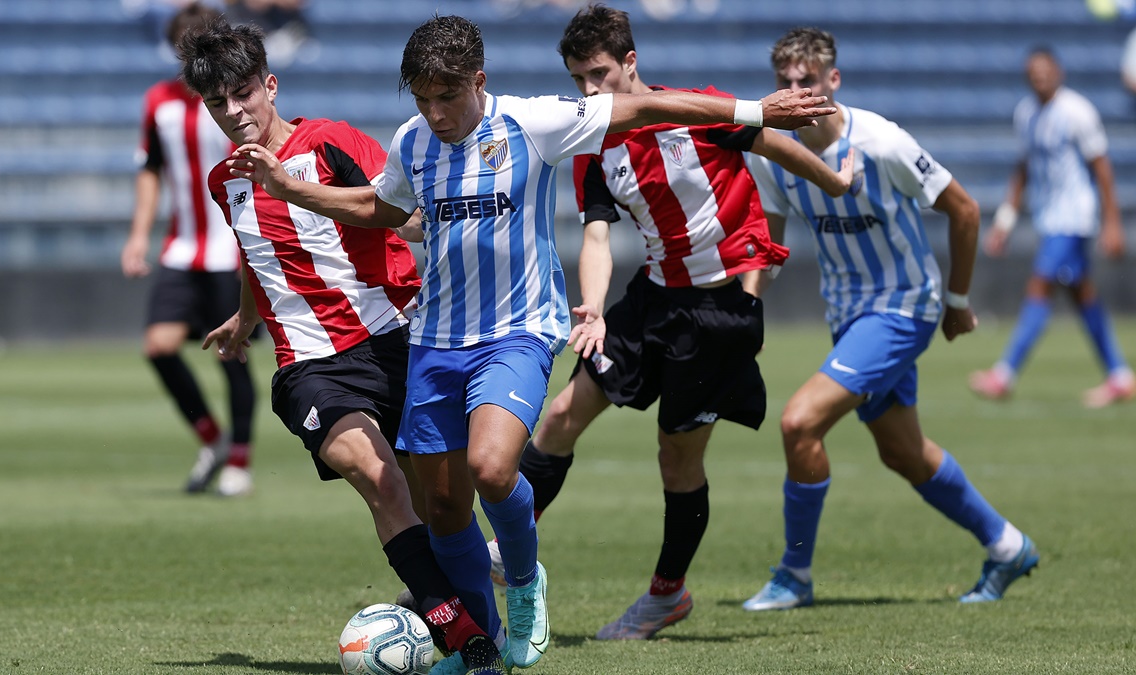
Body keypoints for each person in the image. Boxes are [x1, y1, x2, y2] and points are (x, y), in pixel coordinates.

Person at [224, 14, 835, 672]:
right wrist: (291, 189)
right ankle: (479, 647)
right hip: (434, 338)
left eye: (446, 97)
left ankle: (523, 583)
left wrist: (753, 108)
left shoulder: (532, 122)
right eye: (422, 99)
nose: (435, 113)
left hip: (517, 331)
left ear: (477, 81)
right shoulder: (412, 141)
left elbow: (648, 103)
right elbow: (383, 209)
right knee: (444, 504)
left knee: (492, 468)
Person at [497, 3, 854, 641]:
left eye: (599, 75)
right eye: (578, 79)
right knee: (557, 420)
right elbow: (599, 238)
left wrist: (836, 184)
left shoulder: (699, 111)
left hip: (716, 315)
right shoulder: (594, 143)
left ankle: (667, 594)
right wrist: (594, 308)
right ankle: (504, 551)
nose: (589, 92)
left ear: (630, 62)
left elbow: (774, 142)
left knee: (676, 460)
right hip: (651, 299)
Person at [177, 18, 508, 675]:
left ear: (269, 85)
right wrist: (246, 320)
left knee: (442, 502)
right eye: (218, 102)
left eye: (244, 93)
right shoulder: (225, 181)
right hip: (309, 368)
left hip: (396, 342)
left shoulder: (330, 143)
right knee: (381, 480)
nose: (234, 111)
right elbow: (258, 251)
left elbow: (409, 212)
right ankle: (463, 638)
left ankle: (473, 579)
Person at [742, 27, 1040, 610]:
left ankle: (794, 574)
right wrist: (743, 305)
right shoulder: (775, 154)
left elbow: (965, 210)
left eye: (808, 81)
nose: (796, 92)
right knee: (902, 451)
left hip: (904, 305)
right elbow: (767, 249)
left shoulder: (879, 142)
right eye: (785, 82)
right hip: (848, 313)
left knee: (800, 423)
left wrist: (956, 303)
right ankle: (1008, 547)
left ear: (833, 81)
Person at [120, 1, 256, 497]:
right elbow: (150, 170)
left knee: (231, 353)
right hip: (182, 247)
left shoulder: (230, 102)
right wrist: (139, 235)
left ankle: (240, 459)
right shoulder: (158, 102)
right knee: (158, 346)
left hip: (228, 248)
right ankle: (212, 439)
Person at [968, 47, 1133, 407]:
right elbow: (1023, 169)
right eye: (1033, 71)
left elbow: (1102, 169)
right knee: (1081, 294)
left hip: (1075, 217)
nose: (1039, 76)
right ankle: (1120, 376)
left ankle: (1004, 374)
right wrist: (1005, 222)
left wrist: (1113, 223)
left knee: (1040, 284)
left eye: (1045, 70)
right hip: (1050, 214)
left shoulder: (1077, 111)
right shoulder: (1026, 114)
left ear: (1058, 72)